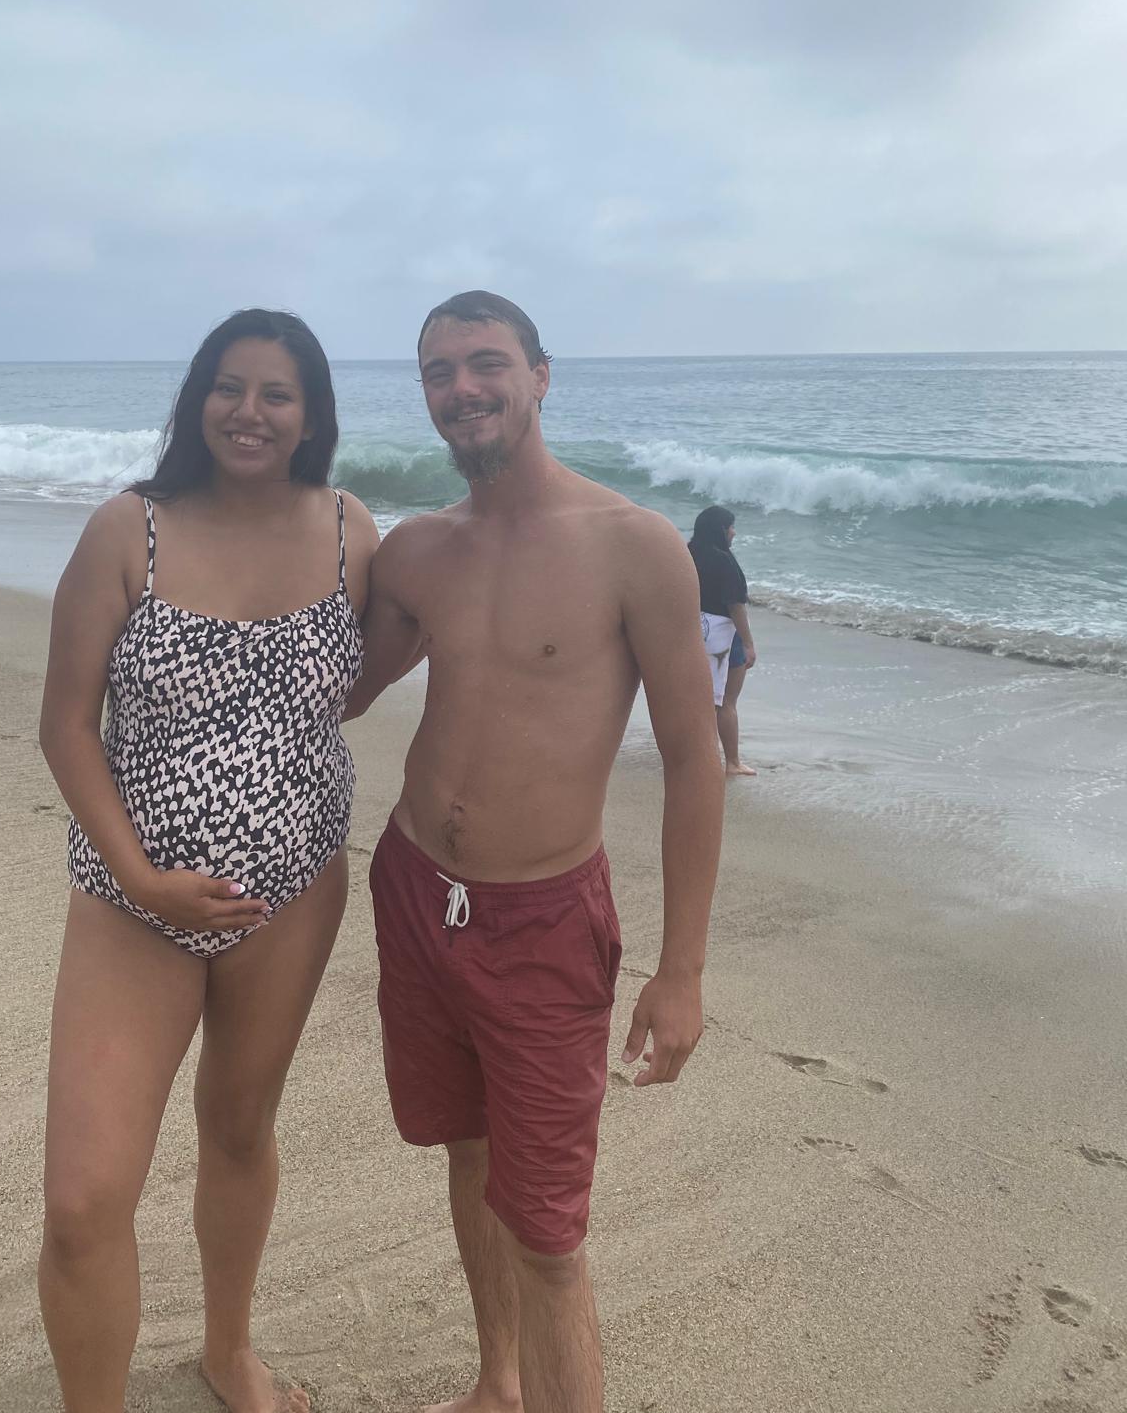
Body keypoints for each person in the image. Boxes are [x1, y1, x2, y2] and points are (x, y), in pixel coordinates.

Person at [345, 291, 724, 1413]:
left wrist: (684, 969)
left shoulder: (636, 550)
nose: (460, 389)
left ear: (541, 375)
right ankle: (495, 1382)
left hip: (542, 923)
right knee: (466, 1153)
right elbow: (343, 692)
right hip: (415, 891)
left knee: (550, 1234)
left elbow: (696, 760)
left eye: (484, 363)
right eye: (437, 372)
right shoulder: (419, 551)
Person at [37, 309, 378, 1413]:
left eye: (277, 393)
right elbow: (65, 725)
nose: (250, 411)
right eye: (228, 387)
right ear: (196, 399)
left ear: (312, 416)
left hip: (294, 888)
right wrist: (137, 872)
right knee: (85, 1202)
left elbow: (364, 675)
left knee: (238, 1125)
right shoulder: (126, 529)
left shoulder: (348, 532)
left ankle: (229, 1350)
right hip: (132, 899)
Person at [689, 505, 757, 778]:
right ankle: (732, 761)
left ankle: (694, 755)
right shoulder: (724, 561)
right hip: (723, 635)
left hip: (693, 631)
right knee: (726, 702)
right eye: (730, 526)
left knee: (697, 700)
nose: (734, 532)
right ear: (720, 530)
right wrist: (749, 643)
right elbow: (736, 605)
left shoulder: (687, 552)